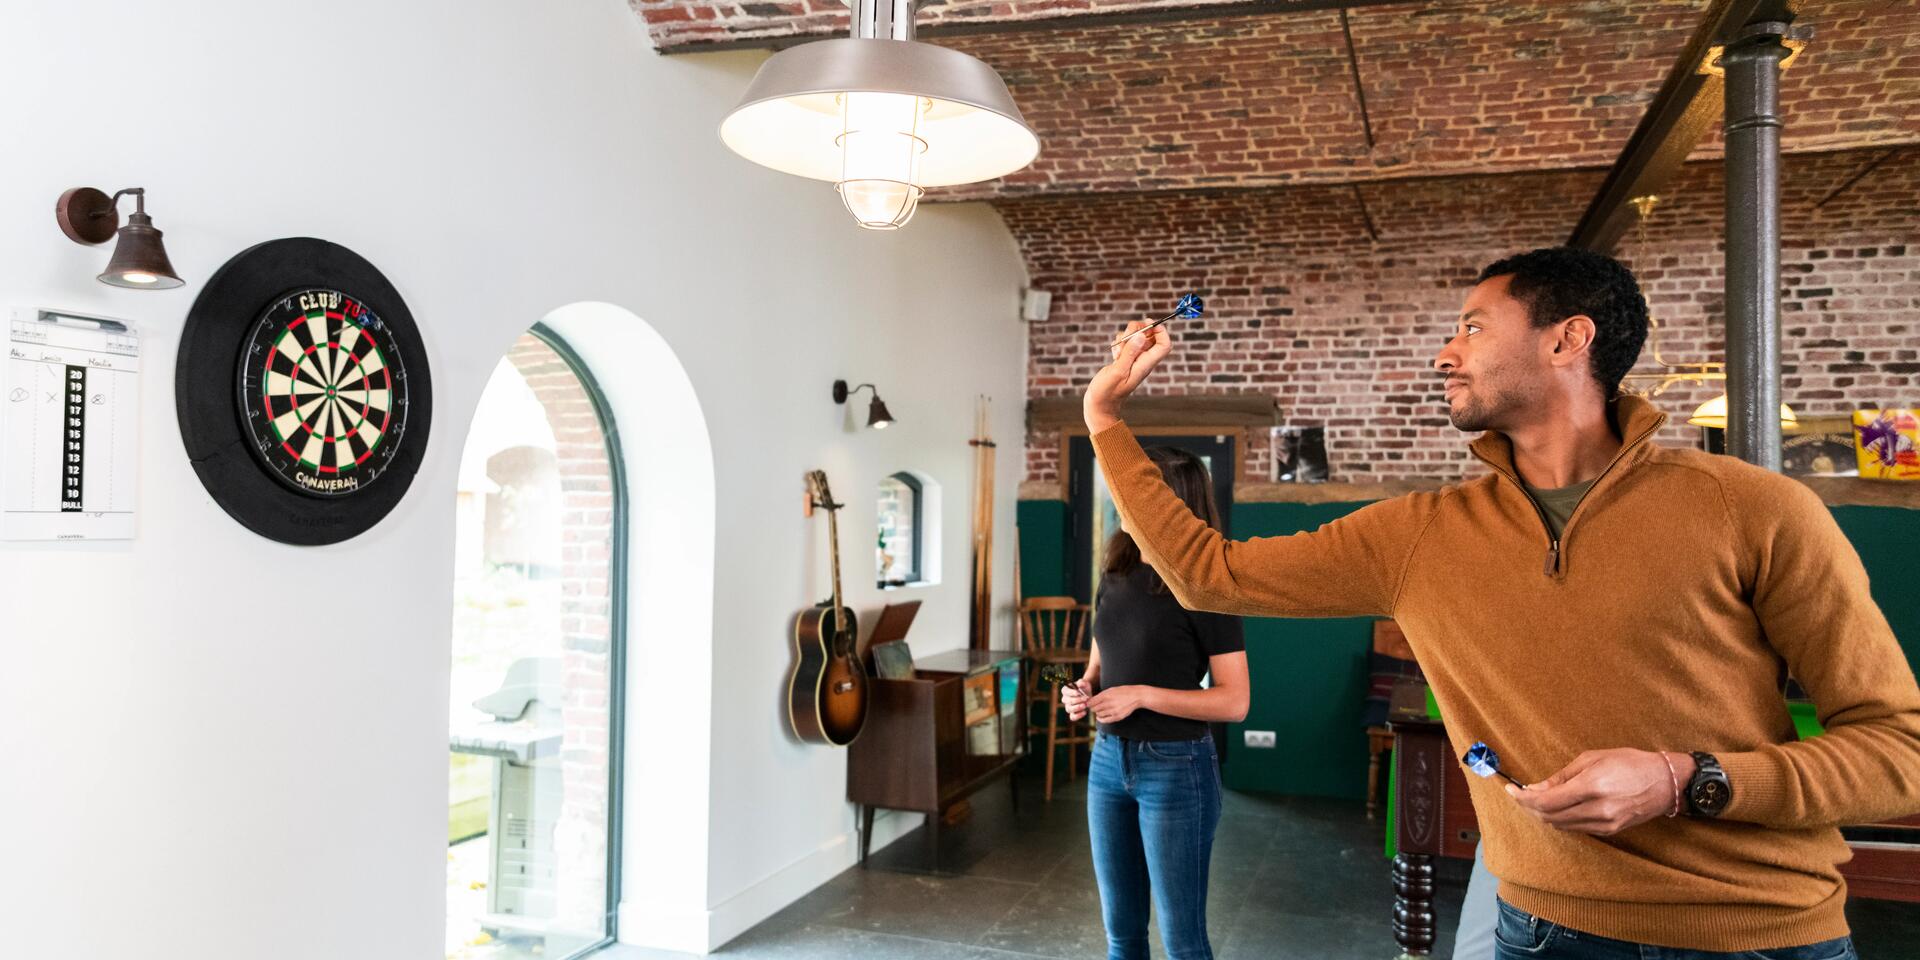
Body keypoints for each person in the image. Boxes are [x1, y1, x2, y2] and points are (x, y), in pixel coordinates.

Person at [1081, 247, 1920, 959]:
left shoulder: (1757, 510)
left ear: (1568, 339)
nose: (1446, 355)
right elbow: (1206, 573)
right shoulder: (1421, 533)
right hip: (1540, 930)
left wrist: (1683, 780)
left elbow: (1898, 755)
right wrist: (1105, 418)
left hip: (1763, 937)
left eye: (1473, 327)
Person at [1060, 445, 1250, 960]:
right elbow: (1097, 668)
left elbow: (1235, 703)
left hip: (1177, 768)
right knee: (1121, 932)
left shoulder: (1206, 582)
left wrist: (1142, 696)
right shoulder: (1115, 573)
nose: (1124, 495)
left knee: (1183, 940)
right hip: (1106, 763)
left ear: (1171, 499)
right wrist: (1081, 692)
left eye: (1137, 485)